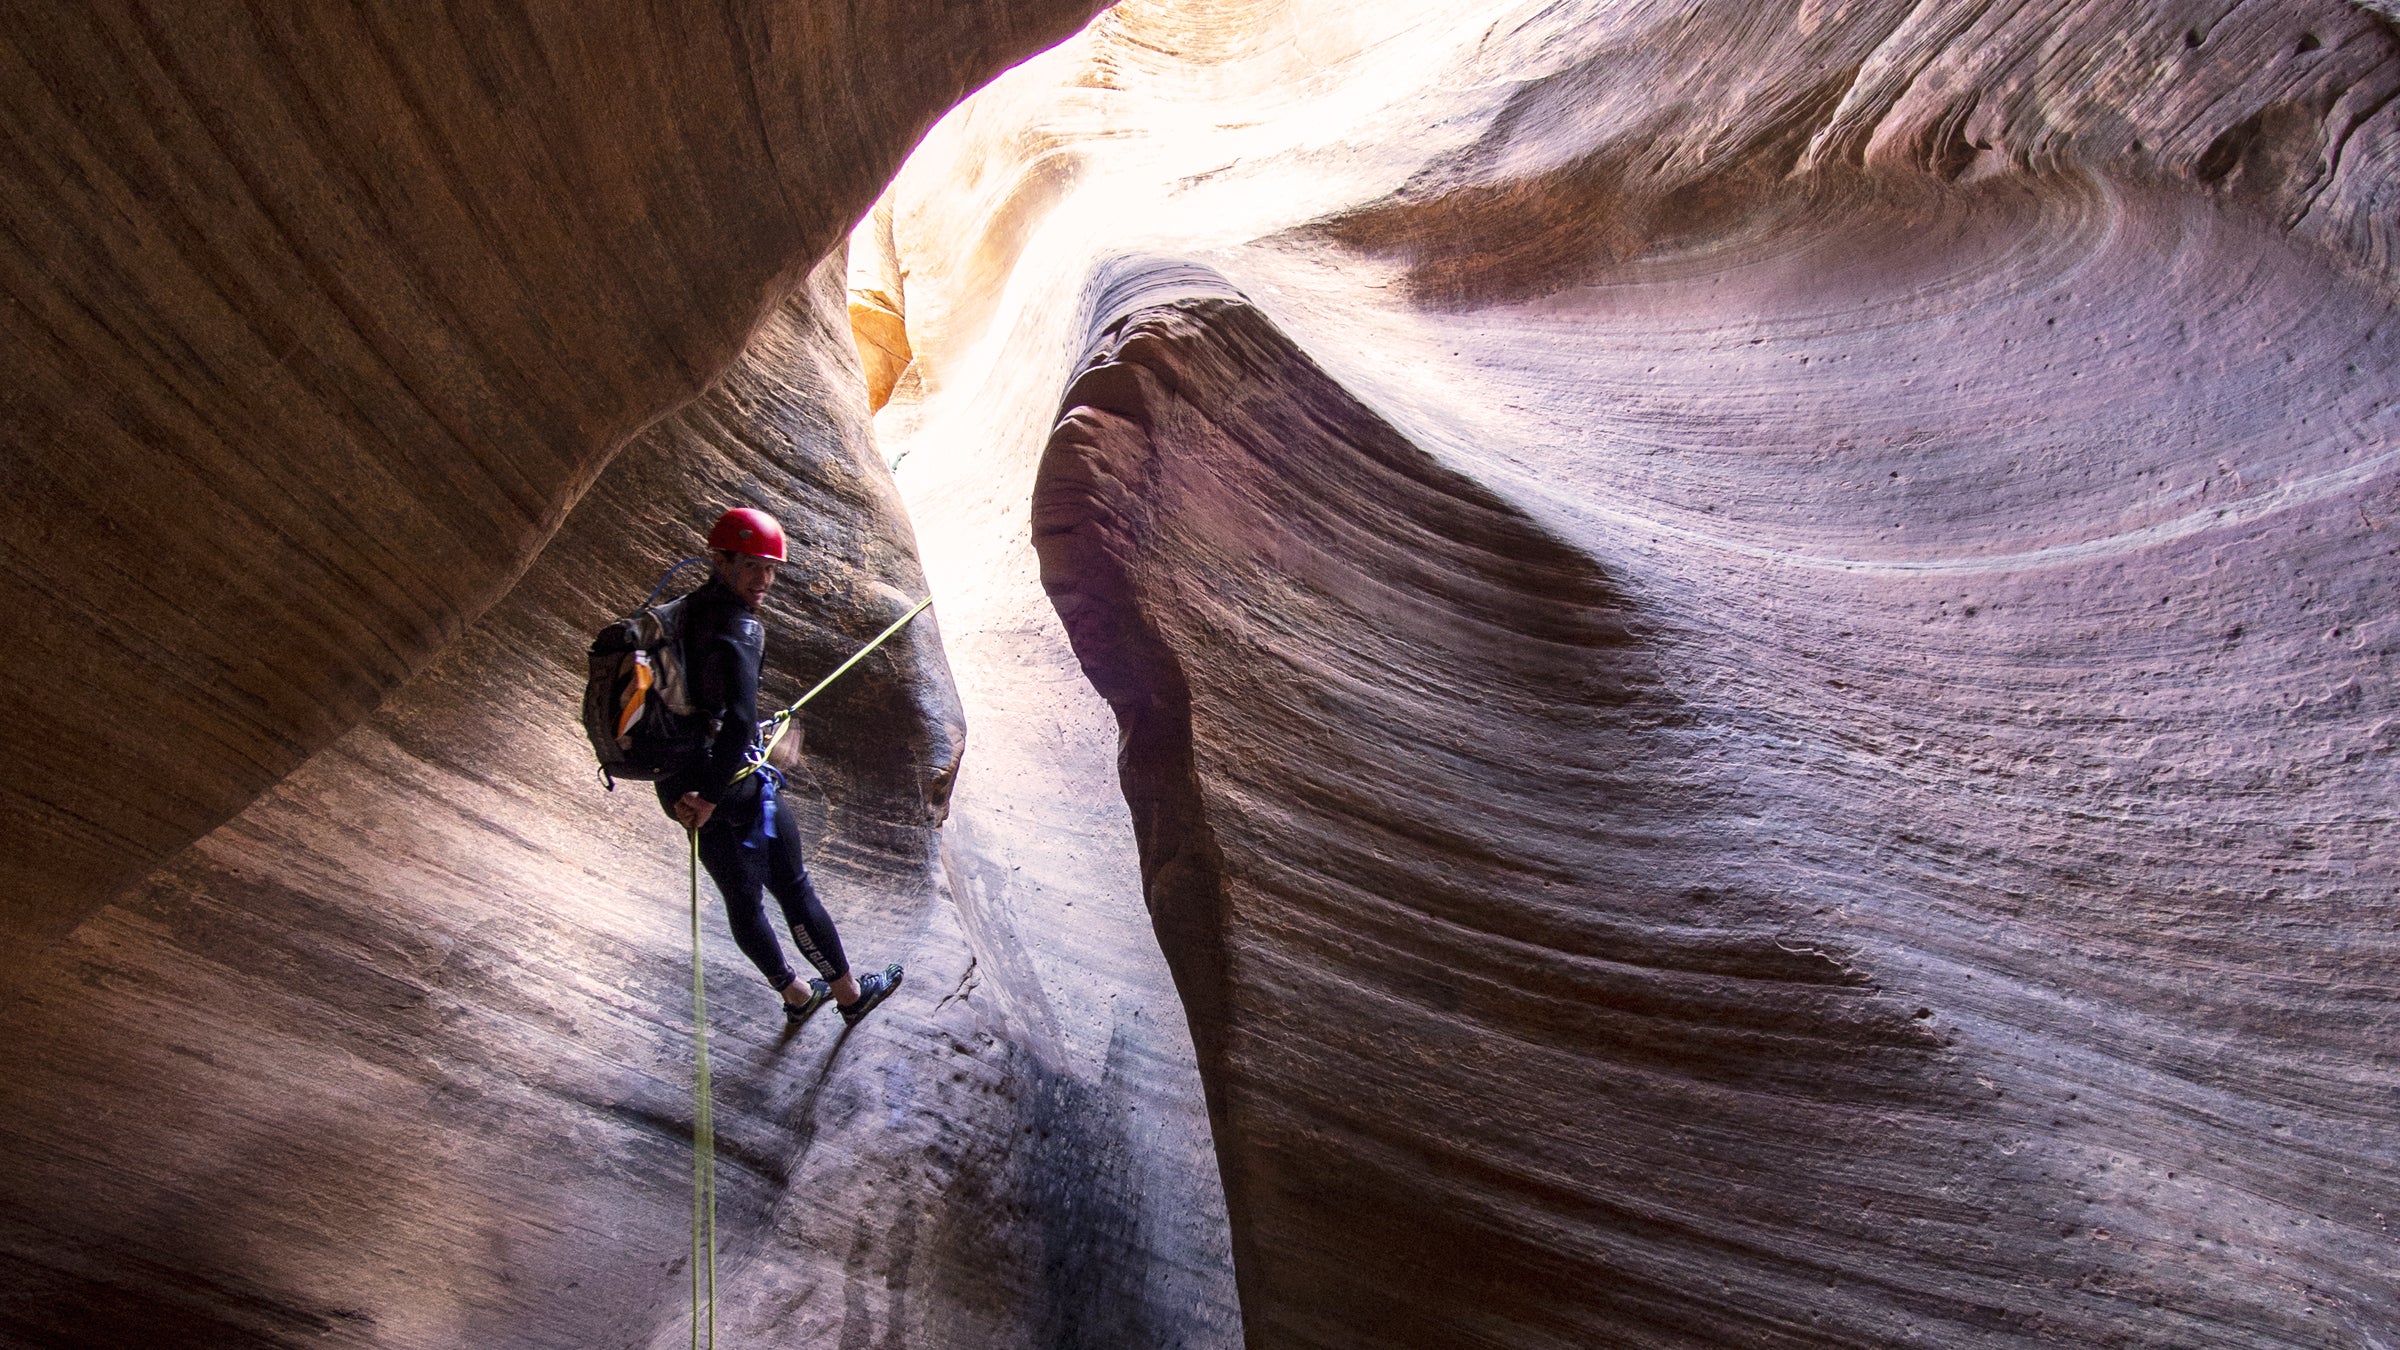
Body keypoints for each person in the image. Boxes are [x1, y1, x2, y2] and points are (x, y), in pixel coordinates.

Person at [659, 506, 903, 1028]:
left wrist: (690, 793)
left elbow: (694, 703)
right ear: (720, 560)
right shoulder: (742, 628)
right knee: (793, 888)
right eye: (753, 566)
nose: (765, 580)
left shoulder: (677, 613)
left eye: (772, 568)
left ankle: (796, 995)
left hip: (677, 783)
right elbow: (741, 725)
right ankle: (849, 995)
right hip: (730, 791)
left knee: (740, 899)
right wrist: (715, 792)